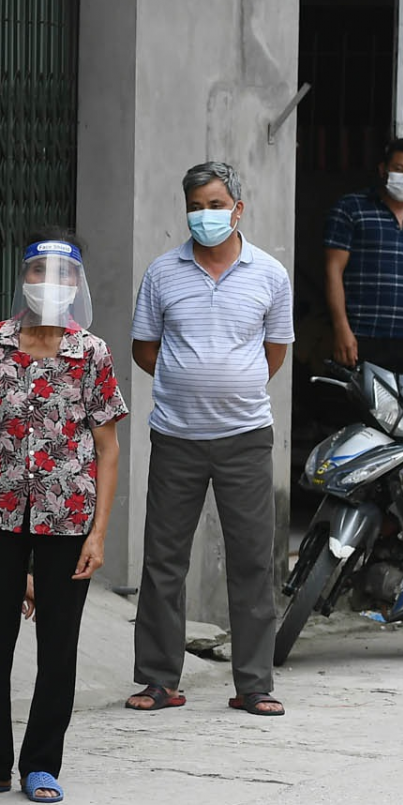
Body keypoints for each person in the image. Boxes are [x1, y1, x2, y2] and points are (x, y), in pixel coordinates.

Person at [0, 235, 126, 802]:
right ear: (23, 279)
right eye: (38, 272)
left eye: (62, 274)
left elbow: (108, 449)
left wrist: (98, 533)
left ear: (77, 284)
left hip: (67, 518)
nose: (49, 284)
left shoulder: (91, 352)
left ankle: (42, 763)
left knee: (59, 644)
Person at [128, 162, 294, 718]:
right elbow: (145, 347)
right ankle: (157, 680)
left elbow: (275, 350)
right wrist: (189, 381)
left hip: (245, 437)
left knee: (251, 562)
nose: (206, 215)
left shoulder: (270, 274)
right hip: (176, 435)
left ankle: (254, 684)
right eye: (196, 205)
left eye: (216, 204)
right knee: (163, 561)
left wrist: (230, 384)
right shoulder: (162, 273)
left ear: (238, 209)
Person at [323, 138, 403, 380]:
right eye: (399, 169)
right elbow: (333, 270)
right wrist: (341, 328)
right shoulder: (351, 208)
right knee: (359, 414)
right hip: (364, 336)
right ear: (383, 169)